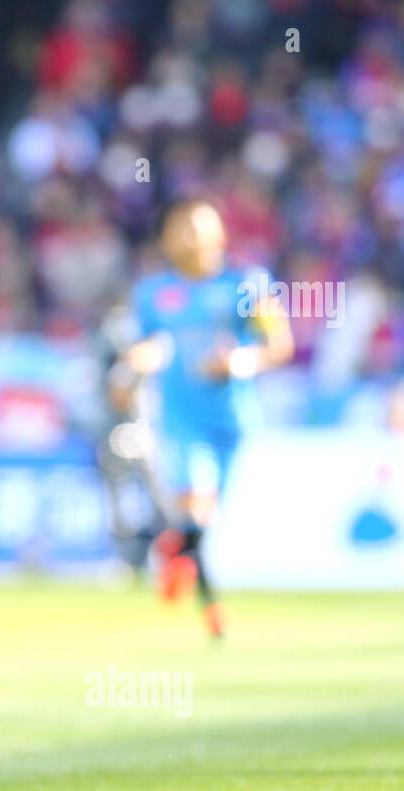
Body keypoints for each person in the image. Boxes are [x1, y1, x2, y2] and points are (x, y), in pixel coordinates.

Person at [124, 199, 293, 639]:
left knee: (202, 520)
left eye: (199, 227)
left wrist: (238, 361)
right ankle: (213, 611)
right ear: (165, 238)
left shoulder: (247, 283)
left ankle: (171, 548)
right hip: (180, 421)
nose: (190, 236)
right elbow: (141, 348)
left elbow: (280, 346)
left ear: (220, 232)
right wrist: (131, 369)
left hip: (234, 420)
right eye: (180, 228)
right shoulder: (152, 292)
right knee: (196, 504)